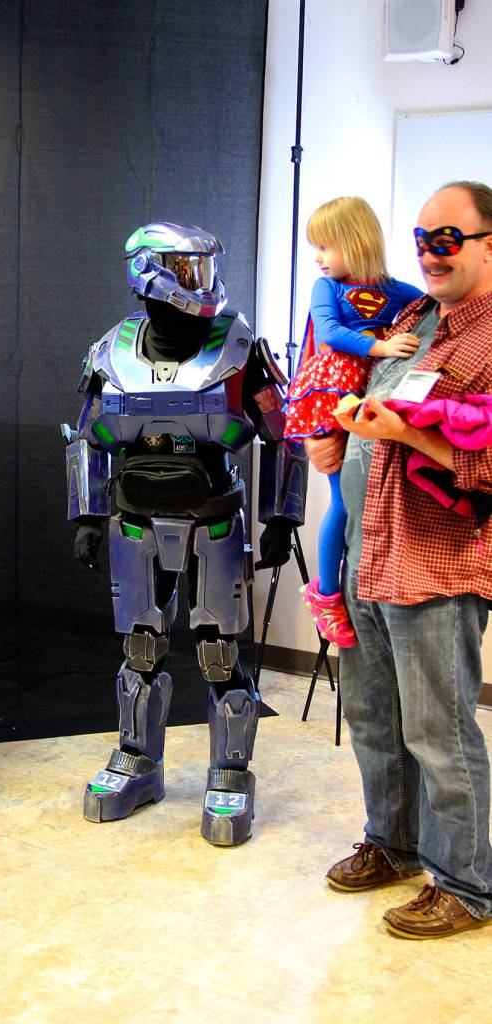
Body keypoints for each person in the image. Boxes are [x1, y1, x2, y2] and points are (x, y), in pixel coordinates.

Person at [63, 222, 307, 846]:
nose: (200, 281)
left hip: (214, 516)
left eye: (202, 267)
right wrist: (89, 515)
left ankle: (229, 771)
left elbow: (284, 432)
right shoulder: (111, 350)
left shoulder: (237, 348)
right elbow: (88, 437)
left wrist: (281, 516)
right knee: (142, 646)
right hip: (135, 516)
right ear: (150, 274)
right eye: (186, 267)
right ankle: (138, 760)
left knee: (220, 652)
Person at [306, 181, 492, 938]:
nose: (428, 252)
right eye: (420, 239)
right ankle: (394, 844)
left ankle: (466, 886)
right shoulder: (411, 315)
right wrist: (333, 440)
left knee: (439, 732)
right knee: (373, 717)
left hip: (436, 564)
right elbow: (363, 403)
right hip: (367, 553)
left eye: (447, 237)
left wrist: (408, 436)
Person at [284, 197, 422, 646]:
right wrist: (380, 346)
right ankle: (326, 593)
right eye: (315, 249)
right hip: (333, 397)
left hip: (371, 401)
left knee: (360, 504)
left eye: (325, 247)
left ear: (354, 241)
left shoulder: (395, 290)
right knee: (343, 503)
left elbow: (429, 309)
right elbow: (326, 331)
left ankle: (349, 589)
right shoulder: (327, 290)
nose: (319, 258)